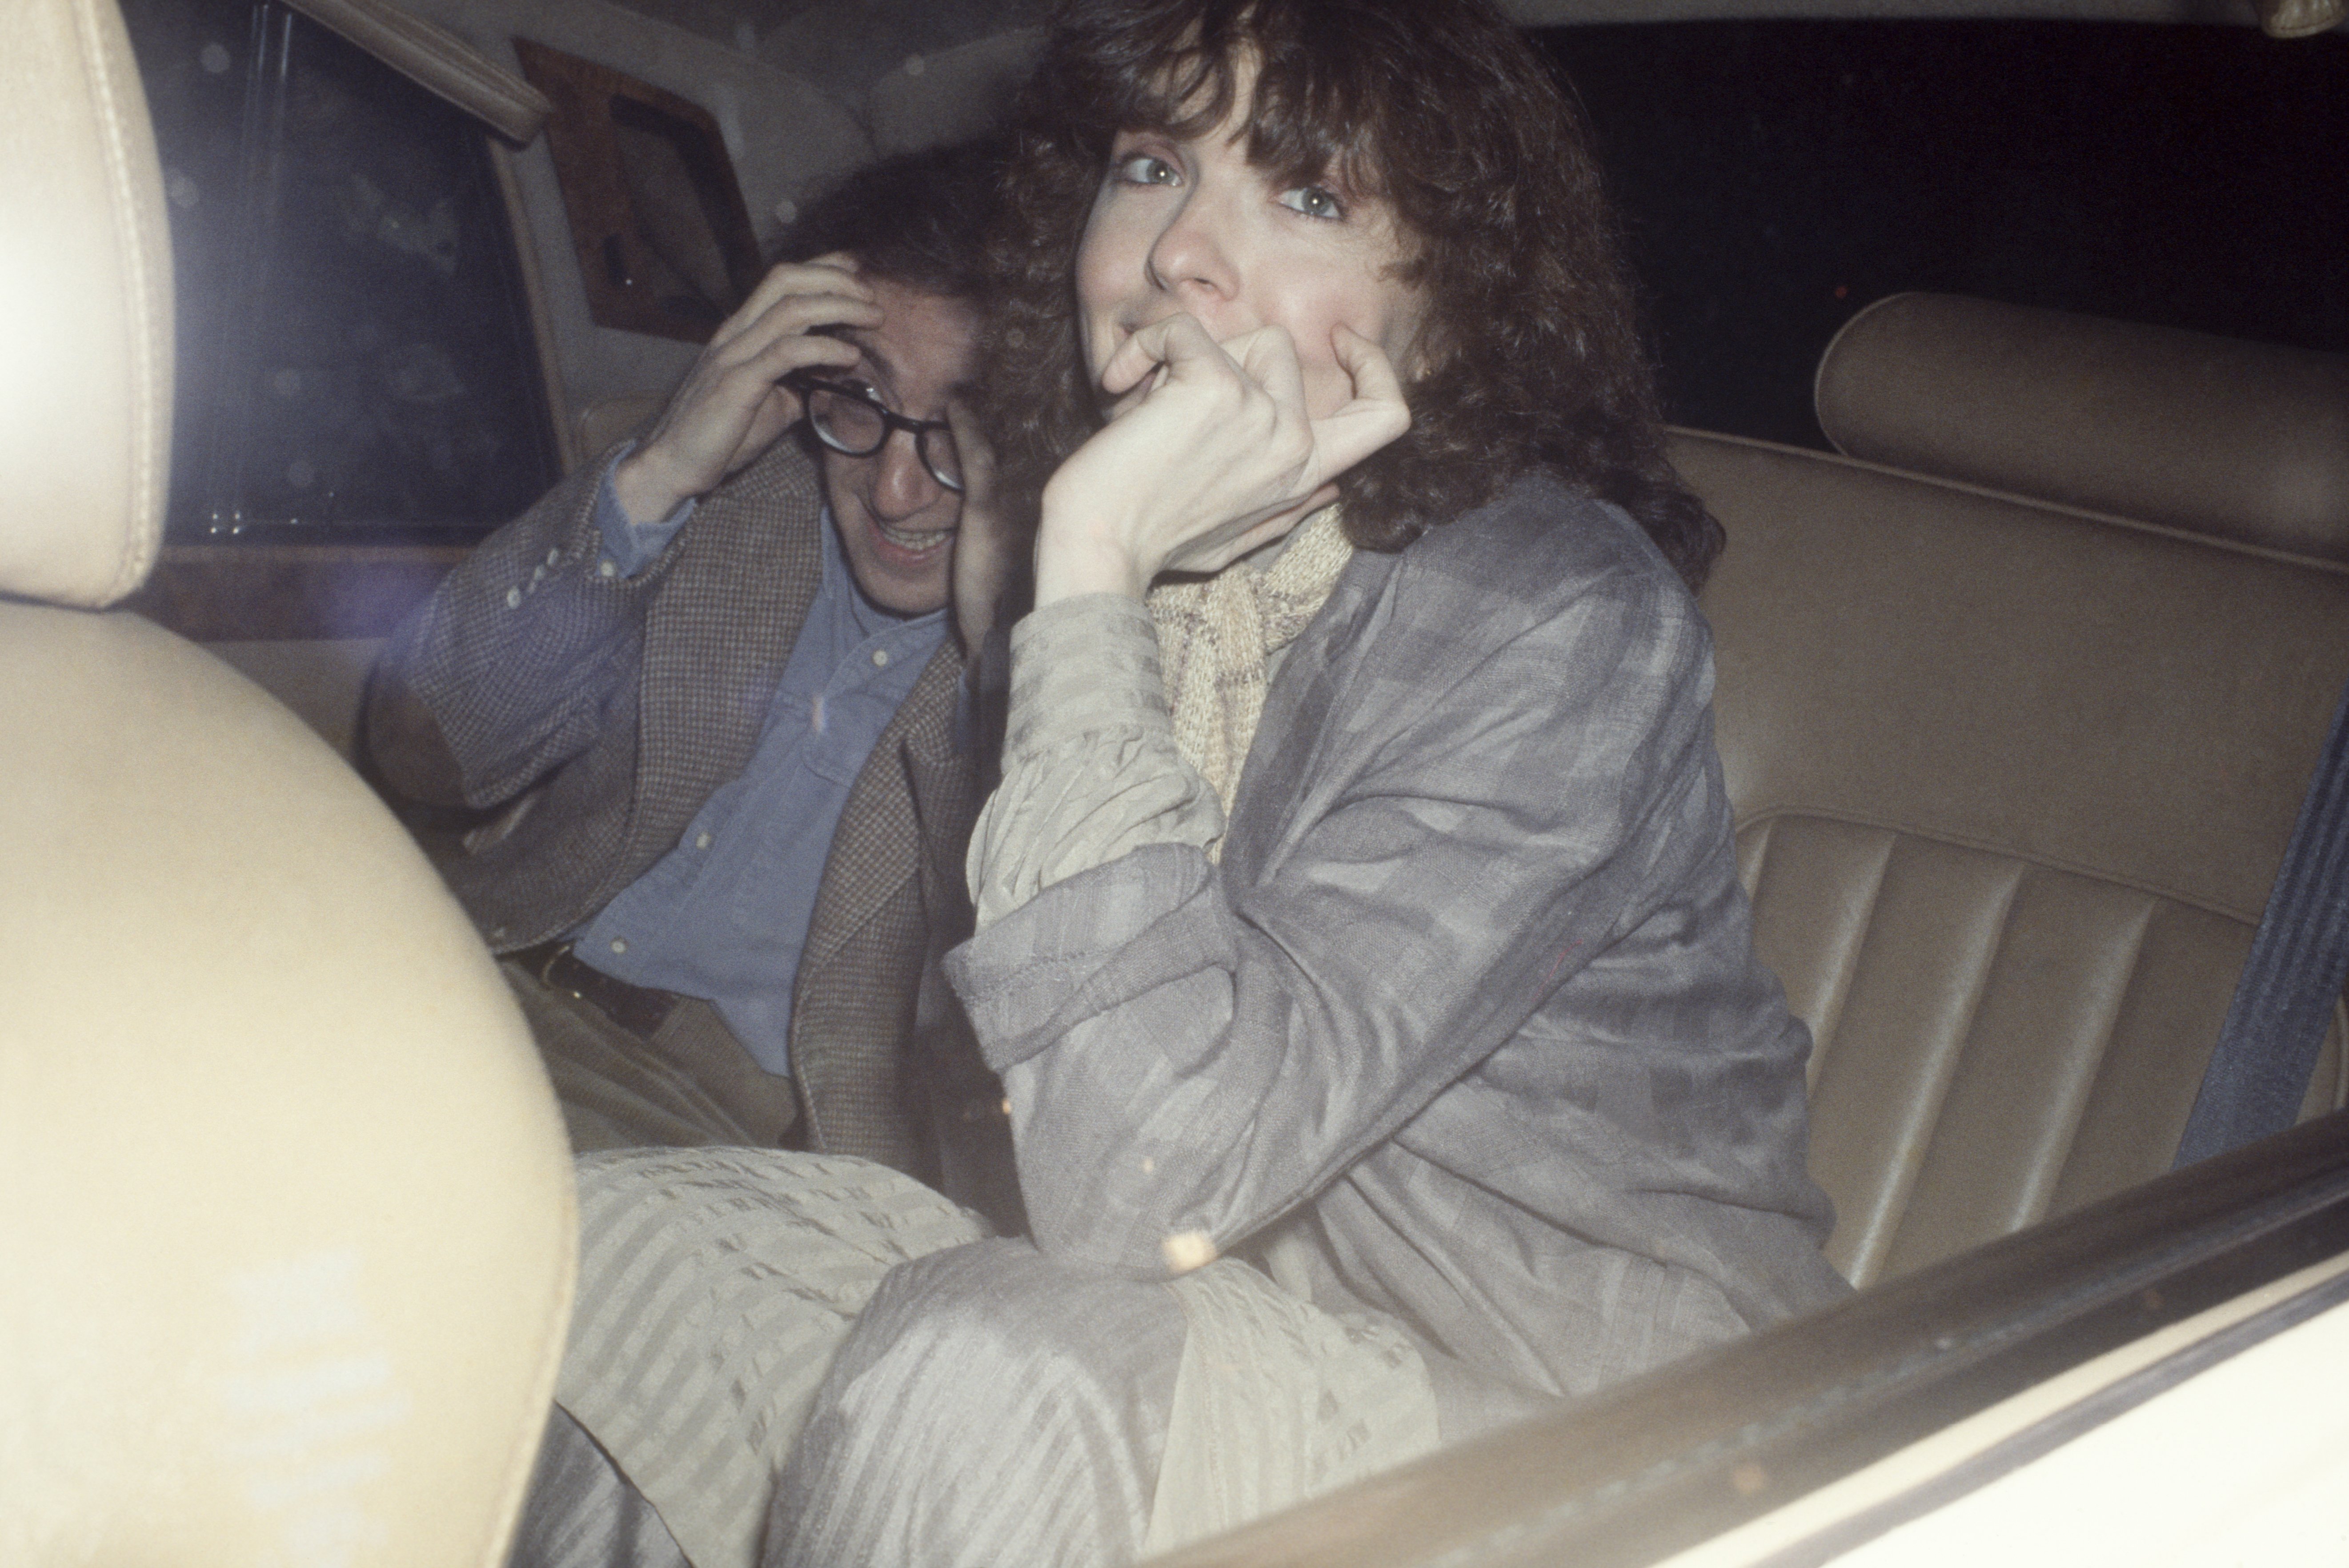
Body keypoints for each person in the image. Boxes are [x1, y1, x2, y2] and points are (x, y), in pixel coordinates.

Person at [522, 3, 1849, 1564]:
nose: (1174, 257)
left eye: (1304, 195)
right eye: (1150, 166)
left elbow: (1125, 1177)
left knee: (990, 1361)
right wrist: (1083, 590)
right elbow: (996, 1108)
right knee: (593, 1253)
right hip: (1251, 1336)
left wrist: (1082, 570)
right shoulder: (1135, 570)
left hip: (1598, 1429)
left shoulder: (1551, 619)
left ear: (1455, 307)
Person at [365, 140, 1018, 1186]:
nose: (897, 488)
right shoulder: (739, 500)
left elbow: (1002, 1013)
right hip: (488, 985)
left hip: (728, 1132)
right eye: (857, 397)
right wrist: (660, 474)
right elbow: (421, 750)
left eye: (962, 433)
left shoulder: (1070, 655)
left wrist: (1004, 656)